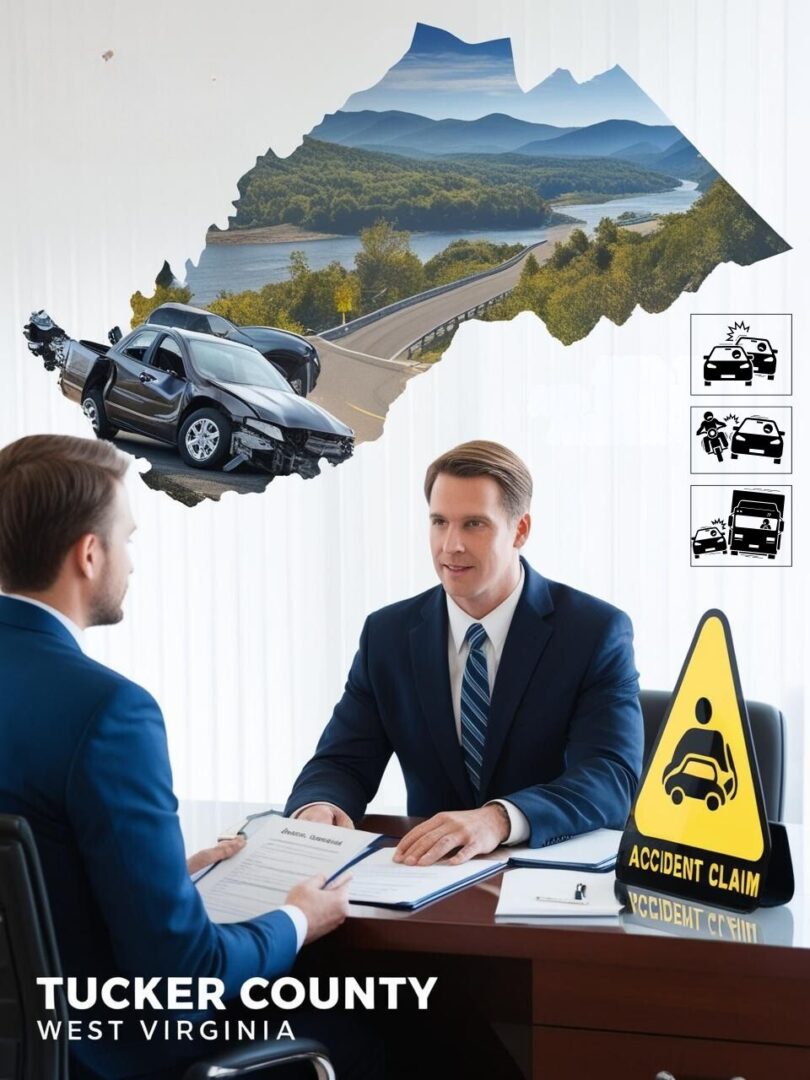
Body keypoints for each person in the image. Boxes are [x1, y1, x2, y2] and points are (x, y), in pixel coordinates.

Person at [0, 435, 372, 1080]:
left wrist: (166, 875)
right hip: (101, 1052)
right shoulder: (109, 712)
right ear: (89, 555)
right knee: (385, 1027)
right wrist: (296, 918)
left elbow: (37, 874)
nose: (133, 564)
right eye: (129, 538)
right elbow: (182, 978)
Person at [286, 440, 644, 866]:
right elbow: (342, 761)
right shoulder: (389, 634)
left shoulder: (593, 632)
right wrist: (318, 807)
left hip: (547, 879)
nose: (450, 545)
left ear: (521, 530)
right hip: (425, 879)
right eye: (439, 522)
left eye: (474, 524)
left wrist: (499, 819)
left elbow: (609, 779)